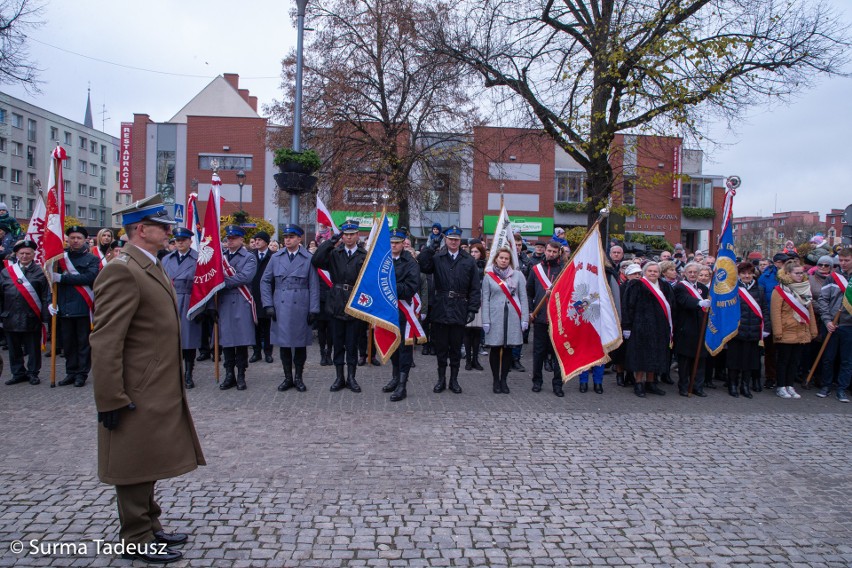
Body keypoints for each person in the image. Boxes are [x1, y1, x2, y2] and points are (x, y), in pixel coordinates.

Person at [90, 195, 205, 564]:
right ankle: (136, 537)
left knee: (147, 459)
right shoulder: (122, 269)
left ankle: (150, 525)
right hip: (133, 389)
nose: (170, 232)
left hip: (154, 386)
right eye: (163, 226)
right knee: (133, 463)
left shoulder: (149, 265)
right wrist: (110, 398)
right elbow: (106, 340)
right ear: (142, 230)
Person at [418, 225, 481, 394]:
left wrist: (472, 309)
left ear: (460, 241)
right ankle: (441, 380)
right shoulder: (438, 257)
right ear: (445, 239)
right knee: (441, 348)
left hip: (460, 307)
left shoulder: (468, 260)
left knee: (455, 348)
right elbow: (423, 265)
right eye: (450, 239)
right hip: (441, 307)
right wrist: (430, 248)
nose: (453, 242)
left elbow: (475, 287)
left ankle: (454, 380)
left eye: (456, 239)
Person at [261, 224, 319, 393]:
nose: (287, 240)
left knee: (300, 344)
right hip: (281, 303)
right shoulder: (276, 257)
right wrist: (268, 304)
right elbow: (264, 281)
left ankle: (299, 378)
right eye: (285, 237)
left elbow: (314, 285)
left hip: (301, 303)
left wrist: (313, 309)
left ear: (299, 239)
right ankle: (287, 378)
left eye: (291, 237)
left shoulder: (308, 258)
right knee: (284, 344)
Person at [312, 220, 367, 392]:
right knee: (338, 342)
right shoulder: (335, 253)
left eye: (352, 234)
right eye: (345, 234)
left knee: (352, 343)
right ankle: (339, 377)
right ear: (342, 236)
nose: (349, 237)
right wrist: (330, 241)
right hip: (335, 302)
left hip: (354, 302)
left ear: (357, 235)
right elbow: (316, 260)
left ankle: (351, 377)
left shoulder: (363, 255)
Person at [50, 226, 99, 387]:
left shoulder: (92, 259)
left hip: (82, 306)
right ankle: (70, 372)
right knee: (68, 344)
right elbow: (49, 281)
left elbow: (90, 277)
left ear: (85, 240)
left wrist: (62, 279)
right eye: (72, 238)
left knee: (83, 343)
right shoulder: (59, 258)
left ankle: (81, 374)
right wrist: (51, 302)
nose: (75, 240)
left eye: (78, 238)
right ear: (68, 239)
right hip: (64, 306)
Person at [621, 261, 674, 397]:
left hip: (659, 327)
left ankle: (651, 383)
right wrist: (627, 326)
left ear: (659, 273)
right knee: (641, 357)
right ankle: (639, 383)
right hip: (641, 327)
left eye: (655, 271)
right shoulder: (636, 285)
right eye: (650, 271)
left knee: (656, 355)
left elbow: (671, 305)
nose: (653, 273)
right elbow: (628, 306)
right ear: (644, 272)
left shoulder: (665, 286)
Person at [215, 225, 258, 391]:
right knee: (226, 342)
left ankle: (241, 375)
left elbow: (245, 277)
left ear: (241, 240)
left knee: (240, 341)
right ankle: (229, 375)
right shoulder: (221, 257)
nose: (230, 241)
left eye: (234, 238)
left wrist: (222, 282)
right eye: (228, 238)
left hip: (241, 301)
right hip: (224, 302)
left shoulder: (249, 257)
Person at [1, 240, 50, 386]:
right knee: (13, 348)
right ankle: (17, 373)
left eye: (28, 253)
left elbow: (45, 295)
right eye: (21, 253)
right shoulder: (6, 272)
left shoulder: (40, 271)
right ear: (16, 254)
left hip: (31, 315)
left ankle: (33, 373)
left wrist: (45, 316)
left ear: (33, 255)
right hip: (10, 315)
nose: (24, 256)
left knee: (33, 348)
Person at [381, 228, 421, 402]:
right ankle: (395, 378)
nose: (394, 245)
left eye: (397, 242)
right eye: (391, 242)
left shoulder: (410, 262)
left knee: (405, 348)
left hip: (404, 309)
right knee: (393, 345)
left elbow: (412, 286)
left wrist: (390, 287)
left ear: (403, 243)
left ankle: (403, 385)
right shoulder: (384, 260)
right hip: (388, 309)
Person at [482, 247, 529, 394]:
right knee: (495, 349)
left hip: (513, 317)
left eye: (506, 258)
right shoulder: (489, 276)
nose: (503, 260)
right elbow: (485, 299)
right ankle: (496, 380)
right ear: (496, 259)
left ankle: (504, 380)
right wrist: (485, 320)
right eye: (501, 258)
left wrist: (525, 318)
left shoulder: (518, 275)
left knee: (509, 349)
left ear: (510, 260)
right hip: (495, 317)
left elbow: (523, 297)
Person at [162, 227, 203, 389]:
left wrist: (203, 308)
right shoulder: (166, 259)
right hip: (169, 301)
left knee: (188, 341)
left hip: (189, 301)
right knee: (171, 342)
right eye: (177, 240)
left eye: (183, 240)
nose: (179, 243)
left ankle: (188, 374)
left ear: (190, 242)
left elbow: (204, 285)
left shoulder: (198, 259)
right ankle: (173, 374)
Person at [770, 260, 818, 399]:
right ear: (788, 274)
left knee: (794, 361)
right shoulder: (779, 290)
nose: (800, 275)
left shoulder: (805, 288)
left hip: (801, 330)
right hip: (786, 330)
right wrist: (778, 331)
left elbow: (809, 311)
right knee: (783, 360)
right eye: (796, 273)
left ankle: (790, 385)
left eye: (801, 272)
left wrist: (812, 329)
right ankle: (781, 386)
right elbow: (775, 312)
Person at [727, 262, 770, 399]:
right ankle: (732, 384)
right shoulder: (733, 289)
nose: (747, 276)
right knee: (734, 360)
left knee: (749, 360)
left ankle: (745, 385)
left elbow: (764, 310)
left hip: (754, 330)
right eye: (744, 273)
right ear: (739, 274)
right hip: (737, 330)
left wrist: (766, 328)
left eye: (749, 273)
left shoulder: (760, 289)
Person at [527, 241, 564, 396]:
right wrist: (530, 311)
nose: (551, 254)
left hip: (559, 319)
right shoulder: (536, 270)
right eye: (549, 251)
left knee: (558, 354)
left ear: (559, 253)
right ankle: (537, 381)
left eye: (554, 252)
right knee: (538, 352)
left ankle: (557, 384)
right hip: (541, 318)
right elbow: (529, 292)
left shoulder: (564, 270)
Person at [815, 248, 852, 402]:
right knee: (828, 357)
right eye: (841, 260)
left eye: (847, 260)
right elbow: (823, 300)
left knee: (847, 360)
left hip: (849, 325)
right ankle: (826, 385)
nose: (843, 263)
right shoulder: (832, 278)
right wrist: (827, 320)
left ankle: (842, 388)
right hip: (831, 323)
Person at [673, 262, 711, 397]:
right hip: (686, 328)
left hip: (701, 327)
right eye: (690, 272)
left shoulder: (703, 288)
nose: (693, 274)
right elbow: (684, 300)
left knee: (700, 359)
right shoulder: (680, 287)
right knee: (685, 361)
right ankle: (683, 386)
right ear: (685, 273)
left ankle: (698, 386)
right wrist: (698, 303)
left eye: (696, 272)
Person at [250, 231, 274, 364]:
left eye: (259, 239)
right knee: (254, 326)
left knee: (267, 326)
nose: (256, 242)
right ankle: (256, 351)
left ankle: (268, 352)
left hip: (267, 295)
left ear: (266, 242)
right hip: (253, 295)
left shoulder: (273, 257)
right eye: (255, 239)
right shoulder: (251, 256)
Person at [464, 242, 486, 371]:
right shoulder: (466, 264)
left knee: (477, 331)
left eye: (476, 252)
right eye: (471, 252)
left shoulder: (486, 266)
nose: (473, 254)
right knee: (467, 331)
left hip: (481, 299)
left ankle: (475, 359)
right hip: (468, 299)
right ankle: (467, 359)